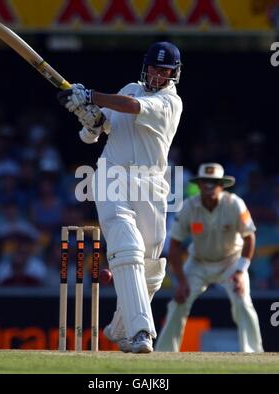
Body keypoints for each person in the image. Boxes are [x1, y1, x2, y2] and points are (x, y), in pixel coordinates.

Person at [57, 41, 183, 353]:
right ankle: (142, 332)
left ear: (174, 74)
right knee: (128, 247)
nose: (158, 74)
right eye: (155, 67)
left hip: (152, 184)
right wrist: (90, 120)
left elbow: (132, 109)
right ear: (146, 66)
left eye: (165, 70)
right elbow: (100, 127)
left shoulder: (170, 103)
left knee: (152, 267)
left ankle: (117, 328)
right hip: (112, 176)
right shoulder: (129, 88)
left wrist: (88, 97)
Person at [155, 163, 264, 352]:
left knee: (243, 301)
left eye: (214, 182)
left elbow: (250, 238)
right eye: (205, 181)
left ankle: (253, 352)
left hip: (231, 261)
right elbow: (174, 245)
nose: (209, 186)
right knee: (178, 304)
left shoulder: (234, 204)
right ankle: (164, 352)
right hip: (198, 263)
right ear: (199, 184)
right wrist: (181, 282)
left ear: (222, 185)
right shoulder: (189, 206)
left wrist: (240, 270)